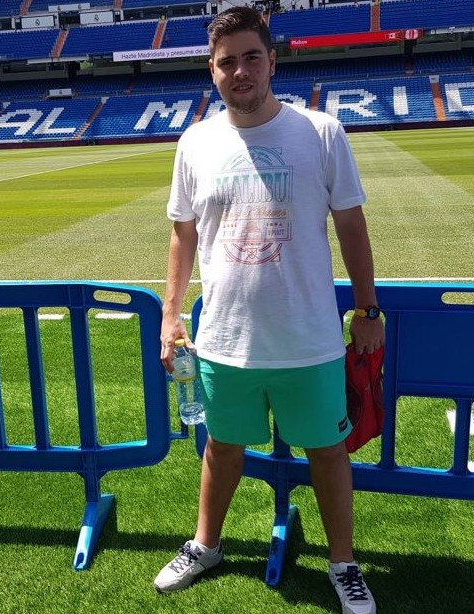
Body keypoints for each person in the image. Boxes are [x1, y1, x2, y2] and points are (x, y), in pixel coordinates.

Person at [154, 7, 384, 614]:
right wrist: (171, 314)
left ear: (272, 61)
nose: (240, 71)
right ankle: (206, 546)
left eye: (251, 57)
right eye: (226, 61)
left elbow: (352, 225)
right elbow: (182, 232)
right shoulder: (195, 142)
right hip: (225, 337)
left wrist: (368, 309)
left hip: (309, 337)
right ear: (212, 71)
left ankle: (343, 564)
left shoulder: (321, 132)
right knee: (222, 446)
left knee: (327, 453)